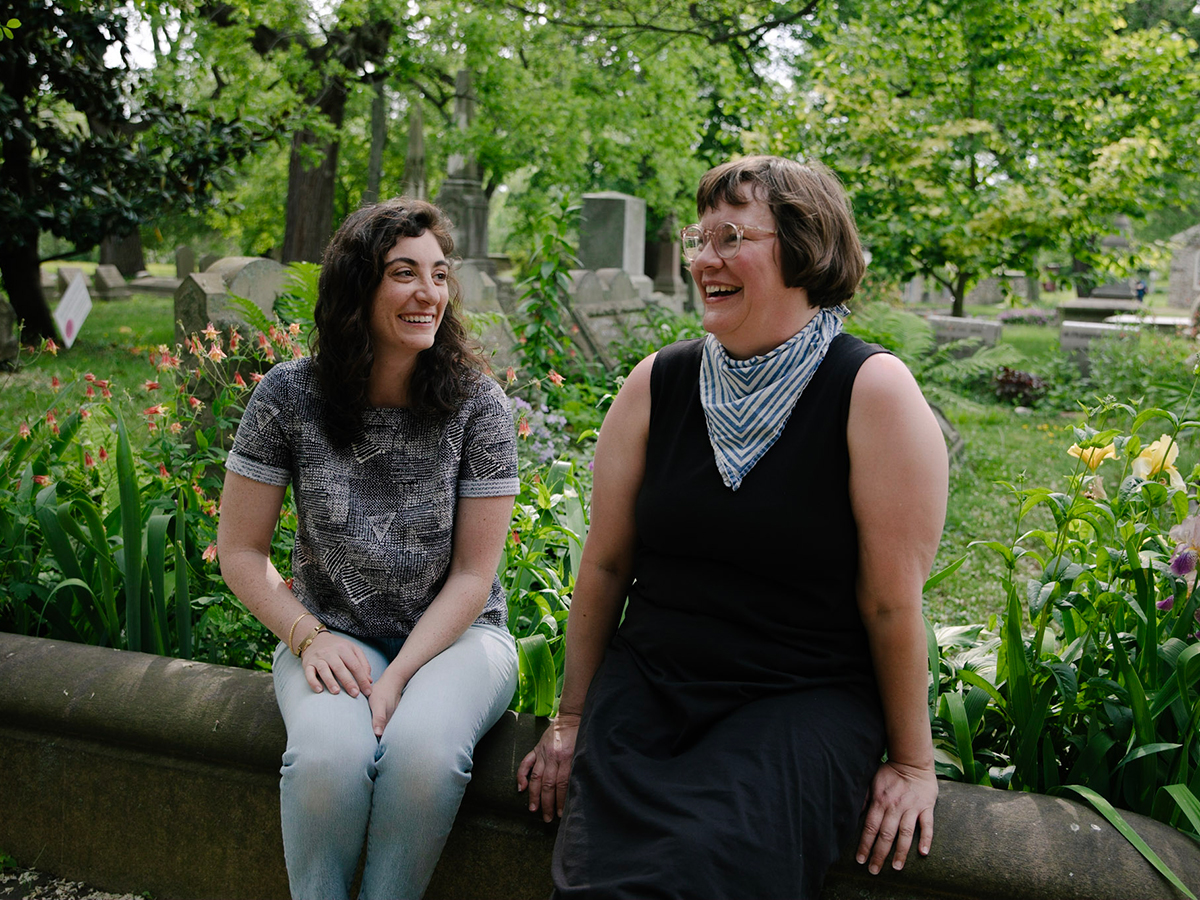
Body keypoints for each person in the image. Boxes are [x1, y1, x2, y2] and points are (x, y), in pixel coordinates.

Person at [516, 156, 948, 899]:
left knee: (708, 871)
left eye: (729, 238)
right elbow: (606, 565)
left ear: (805, 249)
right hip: (650, 693)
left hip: (797, 698)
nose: (702, 259)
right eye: (699, 237)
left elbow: (889, 601)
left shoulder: (871, 390)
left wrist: (913, 765)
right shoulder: (657, 382)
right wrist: (572, 715)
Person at [217, 198, 520, 900]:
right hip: (333, 634)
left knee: (421, 754)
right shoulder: (288, 397)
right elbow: (239, 550)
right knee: (327, 756)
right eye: (404, 273)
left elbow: (476, 576)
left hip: (458, 637)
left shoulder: (479, 406)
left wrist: (397, 679)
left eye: (440, 275)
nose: (429, 294)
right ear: (359, 286)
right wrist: (307, 635)